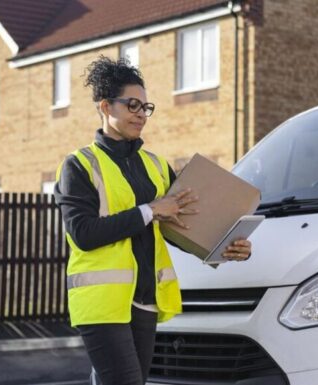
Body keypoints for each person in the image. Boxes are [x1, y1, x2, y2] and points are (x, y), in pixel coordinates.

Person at [54, 56, 253, 385]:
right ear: (106, 106)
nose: (141, 115)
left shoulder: (157, 166)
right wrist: (150, 210)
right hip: (102, 304)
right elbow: (83, 234)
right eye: (133, 105)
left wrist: (224, 247)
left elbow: (177, 229)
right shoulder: (79, 165)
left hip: (146, 300)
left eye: (146, 108)